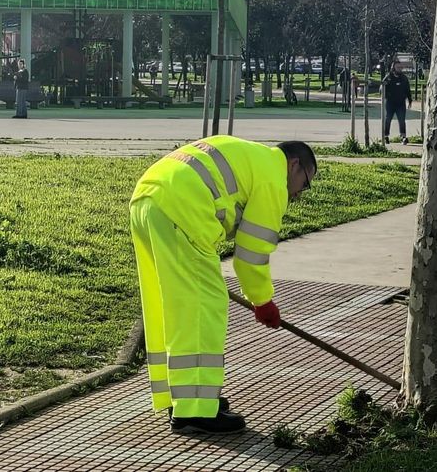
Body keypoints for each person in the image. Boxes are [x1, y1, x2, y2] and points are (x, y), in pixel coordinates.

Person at [130, 136, 316, 435]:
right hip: (184, 211)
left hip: (147, 198)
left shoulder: (252, 155)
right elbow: (251, 256)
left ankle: (184, 397)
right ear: (294, 165)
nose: (299, 195)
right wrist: (262, 301)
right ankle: (195, 412)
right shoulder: (272, 180)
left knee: (172, 305)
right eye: (304, 184)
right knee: (204, 309)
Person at [381, 61, 413, 145]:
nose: (399, 69)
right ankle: (386, 136)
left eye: (400, 67)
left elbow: (407, 90)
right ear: (393, 68)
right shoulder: (388, 77)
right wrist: (384, 89)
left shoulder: (404, 78)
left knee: (402, 120)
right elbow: (382, 87)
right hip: (390, 102)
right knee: (388, 119)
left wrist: (410, 100)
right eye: (397, 67)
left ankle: (403, 136)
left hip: (401, 102)